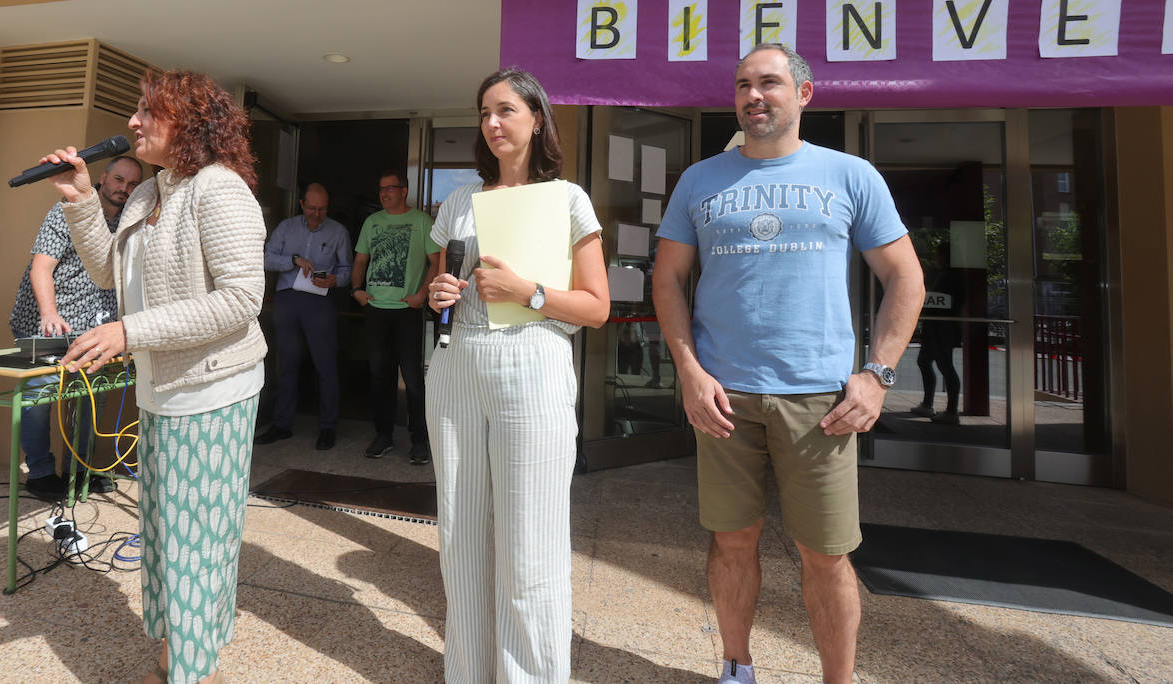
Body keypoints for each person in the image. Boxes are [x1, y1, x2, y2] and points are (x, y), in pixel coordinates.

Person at [652, 43, 924, 684]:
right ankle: (736, 668)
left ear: (804, 94)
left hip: (820, 401)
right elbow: (667, 281)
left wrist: (878, 374)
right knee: (731, 540)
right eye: (744, 83)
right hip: (723, 397)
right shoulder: (699, 180)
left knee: (826, 554)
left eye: (769, 83)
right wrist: (689, 372)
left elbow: (905, 278)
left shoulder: (850, 175)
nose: (754, 95)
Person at [44, 69, 266, 684]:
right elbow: (111, 276)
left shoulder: (219, 190)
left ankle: (189, 671)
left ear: (190, 124)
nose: (133, 123)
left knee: (197, 544)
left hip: (213, 390)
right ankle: (177, 659)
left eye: (149, 111)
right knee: (168, 541)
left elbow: (241, 298)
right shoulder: (148, 194)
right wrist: (83, 200)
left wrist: (128, 334)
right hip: (162, 389)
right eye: (136, 110)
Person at [425, 67, 609, 682]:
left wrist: (526, 291)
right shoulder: (458, 201)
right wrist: (439, 293)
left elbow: (596, 307)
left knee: (530, 542)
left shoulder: (568, 199)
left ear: (537, 118)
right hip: (456, 366)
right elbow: (437, 284)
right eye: (483, 112)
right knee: (460, 535)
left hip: (533, 360)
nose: (493, 123)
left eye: (506, 110)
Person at [8, 154, 144, 500]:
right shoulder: (68, 210)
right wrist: (49, 313)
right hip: (47, 324)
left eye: (131, 185)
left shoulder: (127, 224)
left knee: (87, 400)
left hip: (90, 327)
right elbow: (41, 268)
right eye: (118, 180)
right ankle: (39, 473)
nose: (123, 189)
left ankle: (79, 470)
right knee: (37, 398)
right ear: (103, 177)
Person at [351, 169, 439, 464]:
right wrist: (356, 290)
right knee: (379, 376)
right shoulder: (372, 222)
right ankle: (383, 436)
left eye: (390, 188)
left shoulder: (422, 222)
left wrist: (422, 295)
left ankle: (419, 441)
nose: (384, 193)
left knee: (413, 379)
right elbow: (361, 260)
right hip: (376, 310)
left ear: (404, 191)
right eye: (381, 188)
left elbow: (436, 262)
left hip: (406, 312)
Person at [258, 182, 352, 449]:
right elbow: (265, 257)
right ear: (302, 204)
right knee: (286, 365)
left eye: (322, 209)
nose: (316, 213)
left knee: (326, 365)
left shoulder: (338, 231)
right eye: (311, 208)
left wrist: (336, 280)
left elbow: (347, 268)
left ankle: (327, 427)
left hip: (319, 302)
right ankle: (281, 424)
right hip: (287, 299)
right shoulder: (287, 228)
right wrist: (293, 260)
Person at [913, 243, 964, 423]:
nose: (936, 258)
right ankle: (928, 404)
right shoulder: (944, 275)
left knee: (946, 367)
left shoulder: (950, 276)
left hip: (942, 328)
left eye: (938, 254)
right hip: (935, 327)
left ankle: (951, 411)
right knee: (924, 361)